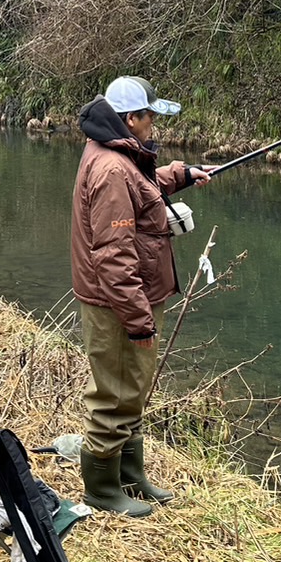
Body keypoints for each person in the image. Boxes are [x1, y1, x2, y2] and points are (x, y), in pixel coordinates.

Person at [70, 75, 209, 516]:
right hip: (117, 305)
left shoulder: (118, 154)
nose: (154, 124)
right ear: (131, 119)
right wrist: (138, 321)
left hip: (132, 298)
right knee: (114, 394)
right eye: (150, 116)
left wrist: (180, 175)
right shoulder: (111, 169)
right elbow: (113, 257)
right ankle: (101, 488)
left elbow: (141, 189)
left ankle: (130, 475)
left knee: (133, 388)